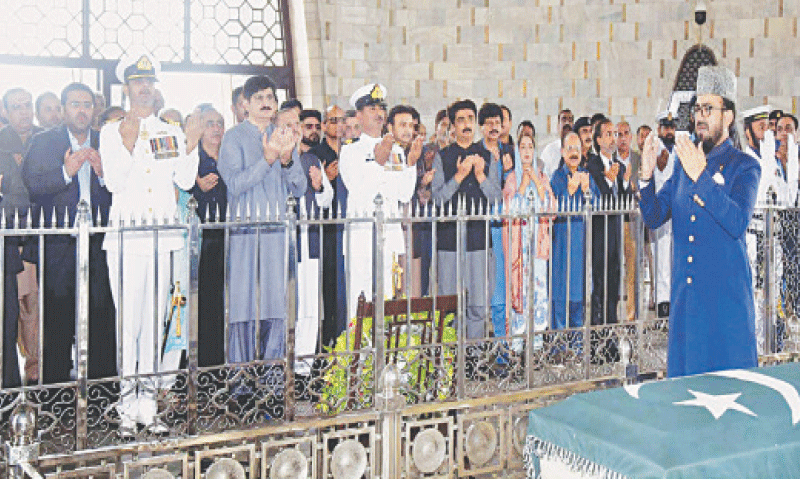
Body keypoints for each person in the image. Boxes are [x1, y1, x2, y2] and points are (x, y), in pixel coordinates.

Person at [101, 51, 202, 432]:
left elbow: (185, 181)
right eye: (137, 82)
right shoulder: (111, 131)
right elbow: (114, 183)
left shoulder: (169, 131)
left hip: (163, 240)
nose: (144, 88)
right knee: (129, 325)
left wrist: (191, 144)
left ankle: (148, 406)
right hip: (127, 241)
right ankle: (127, 407)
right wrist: (127, 145)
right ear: (126, 88)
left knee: (156, 322)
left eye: (149, 82)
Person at [639, 65, 761, 377]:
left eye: (709, 109)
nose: (700, 117)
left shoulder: (745, 167)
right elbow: (654, 216)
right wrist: (646, 177)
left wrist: (702, 177)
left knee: (730, 393)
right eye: (697, 109)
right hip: (687, 307)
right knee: (686, 395)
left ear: (728, 116)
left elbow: (737, 221)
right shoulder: (683, 165)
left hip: (725, 308)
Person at [23, 82, 116, 384]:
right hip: (60, 246)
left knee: (102, 317)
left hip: (100, 244)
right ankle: (55, 393)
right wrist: (66, 172)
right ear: (63, 109)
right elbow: (32, 184)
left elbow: (122, 188)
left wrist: (103, 175)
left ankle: (102, 393)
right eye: (75, 104)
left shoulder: (106, 141)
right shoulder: (44, 141)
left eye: (87, 104)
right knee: (58, 321)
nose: (82, 110)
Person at [217, 75, 305, 369]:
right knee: (244, 305)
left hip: (277, 234)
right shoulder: (233, 137)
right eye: (259, 98)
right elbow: (234, 183)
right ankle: (240, 381)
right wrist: (266, 160)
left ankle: (273, 380)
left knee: (277, 304)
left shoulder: (284, 135)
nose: (266, 103)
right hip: (245, 233)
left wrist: (287, 159)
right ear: (246, 104)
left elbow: (299, 188)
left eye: (270, 98)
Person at [338, 87, 416, 319]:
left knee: (390, 295)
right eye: (372, 108)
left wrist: (411, 165)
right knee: (359, 297)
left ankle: (386, 341)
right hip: (362, 235)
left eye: (381, 108)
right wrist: (377, 163)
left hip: (389, 234)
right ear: (359, 115)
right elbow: (358, 189)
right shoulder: (350, 150)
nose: (379, 113)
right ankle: (359, 342)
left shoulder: (396, 150)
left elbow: (404, 195)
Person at [431, 99, 502, 340]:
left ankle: (474, 353)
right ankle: (450, 353)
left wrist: (480, 175)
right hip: (449, 240)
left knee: (478, 305)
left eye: (470, 119)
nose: (466, 124)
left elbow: (496, 198)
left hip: (478, 239)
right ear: (453, 125)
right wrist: (459, 176)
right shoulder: (443, 157)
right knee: (449, 305)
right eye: (461, 120)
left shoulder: (488, 156)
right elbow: (438, 199)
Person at [0, 87, 42, 385]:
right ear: (5, 112)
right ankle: (9, 379)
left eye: (27, 105)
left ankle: (36, 373)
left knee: (35, 309)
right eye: (17, 107)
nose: (24, 112)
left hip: (41, 234)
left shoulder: (44, 139)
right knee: (10, 309)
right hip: (9, 238)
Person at [189, 106, 227, 367]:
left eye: (219, 123)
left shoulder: (230, 156)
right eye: (210, 123)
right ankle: (201, 363)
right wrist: (196, 182)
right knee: (201, 301)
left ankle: (222, 361)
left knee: (223, 301)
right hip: (199, 239)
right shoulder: (192, 158)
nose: (215, 128)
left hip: (227, 236)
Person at [508, 131, 553, 353]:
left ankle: (537, 341)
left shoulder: (542, 177)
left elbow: (551, 210)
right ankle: (517, 342)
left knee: (539, 289)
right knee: (520, 289)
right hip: (519, 245)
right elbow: (509, 211)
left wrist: (536, 181)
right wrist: (523, 187)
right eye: (522, 147)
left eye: (530, 147)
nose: (526, 151)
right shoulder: (512, 178)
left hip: (538, 244)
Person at [551, 131, 599, 337]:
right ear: (563, 152)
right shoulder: (557, 177)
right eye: (570, 148)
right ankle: (559, 345)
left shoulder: (586, 176)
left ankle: (578, 345)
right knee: (561, 297)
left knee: (579, 298)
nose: (574, 153)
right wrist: (569, 192)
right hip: (562, 246)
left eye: (577, 149)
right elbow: (552, 210)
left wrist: (587, 191)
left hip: (581, 246)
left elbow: (599, 207)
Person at [313, 105, 348, 348]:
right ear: (324, 126)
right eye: (333, 120)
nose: (339, 125)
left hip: (349, 222)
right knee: (329, 284)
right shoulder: (317, 153)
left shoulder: (352, 151)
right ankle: (328, 340)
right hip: (327, 226)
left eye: (342, 120)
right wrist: (326, 178)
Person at [616, 120, 640, 321]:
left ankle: (632, 314)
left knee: (633, 267)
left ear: (631, 136)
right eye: (618, 134)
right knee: (614, 266)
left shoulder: (638, 159)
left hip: (633, 220)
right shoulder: (610, 161)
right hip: (615, 219)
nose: (622, 138)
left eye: (626, 133)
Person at [540, 108, 573, 177]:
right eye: (564, 119)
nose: (567, 123)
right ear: (558, 126)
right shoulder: (549, 151)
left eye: (570, 120)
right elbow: (542, 177)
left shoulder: (578, 150)